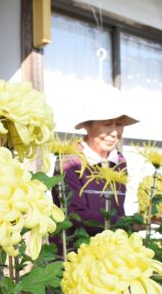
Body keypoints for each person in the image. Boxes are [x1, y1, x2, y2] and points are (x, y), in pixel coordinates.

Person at [57, 91, 138, 240]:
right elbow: (73, 214)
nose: (114, 132)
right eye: (107, 124)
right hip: (75, 249)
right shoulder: (69, 160)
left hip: (111, 250)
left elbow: (118, 209)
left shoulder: (119, 162)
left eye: (119, 124)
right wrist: (128, 223)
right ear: (87, 126)